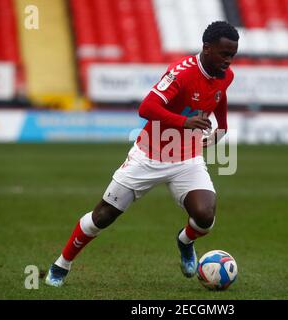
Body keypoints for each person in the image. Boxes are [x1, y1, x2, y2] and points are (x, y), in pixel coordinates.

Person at [45, 21, 239, 287]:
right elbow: (146, 107)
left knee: (205, 217)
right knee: (102, 217)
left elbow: (220, 94)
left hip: (187, 158)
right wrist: (184, 123)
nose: (229, 61)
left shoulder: (225, 74)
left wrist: (223, 127)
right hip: (149, 156)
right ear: (207, 48)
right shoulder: (181, 73)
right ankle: (62, 264)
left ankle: (184, 241)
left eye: (232, 55)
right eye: (224, 54)